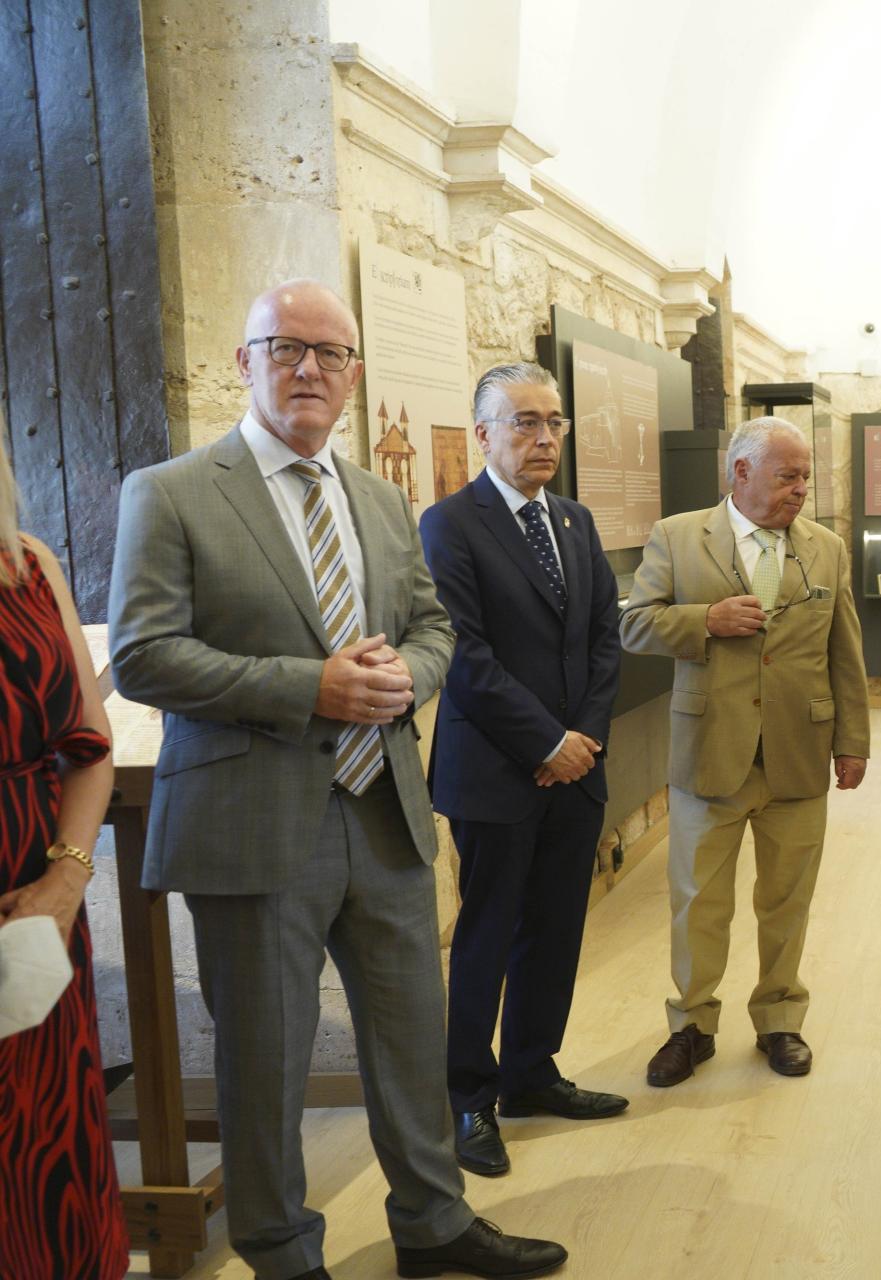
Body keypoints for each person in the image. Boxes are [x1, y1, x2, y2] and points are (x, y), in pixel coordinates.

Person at [108, 281, 565, 1280]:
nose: (309, 367)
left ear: (354, 375)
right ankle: (280, 1249)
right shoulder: (173, 490)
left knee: (412, 1036)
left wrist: (408, 679)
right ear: (245, 362)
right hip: (250, 819)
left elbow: (432, 625)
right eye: (286, 348)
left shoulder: (379, 498)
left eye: (330, 352)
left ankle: (433, 1221)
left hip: (383, 808)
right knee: (265, 1055)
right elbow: (142, 656)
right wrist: (309, 685)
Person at [419, 362, 626, 1179]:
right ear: (482, 434)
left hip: (576, 770)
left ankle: (532, 1073)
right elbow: (464, 655)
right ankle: (469, 1095)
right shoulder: (449, 525)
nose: (544, 439)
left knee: (556, 930)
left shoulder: (574, 521)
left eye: (554, 423)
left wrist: (584, 739)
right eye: (524, 423)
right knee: (487, 935)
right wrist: (547, 743)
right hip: (498, 773)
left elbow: (604, 639)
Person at [620, 416, 870, 1086]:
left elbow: (845, 652)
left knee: (787, 898)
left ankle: (780, 1020)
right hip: (710, 755)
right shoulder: (679, 537)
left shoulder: (826, 549)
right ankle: (691, 1026)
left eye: (804, 476)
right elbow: (634, 624)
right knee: (699, 899)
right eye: (787, 475)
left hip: (799, 751)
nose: (800, 489)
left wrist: (853, 741)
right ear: (740, 472)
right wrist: (706, 620)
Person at [0, 424, 128, 1278]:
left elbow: (90, 746)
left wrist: (65, 879)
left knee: (42, 1166)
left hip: (29, 912)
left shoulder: (27, 564)